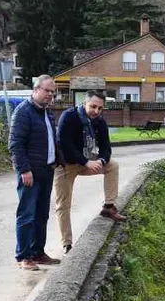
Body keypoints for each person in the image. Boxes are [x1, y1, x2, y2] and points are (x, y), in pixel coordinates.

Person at [54, 90, 126, 255]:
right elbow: (64, 145)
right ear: (84, 103)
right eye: (93, 106)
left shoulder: (99, 122)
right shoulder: (69, 117)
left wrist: (100, 161)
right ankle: (67, 244)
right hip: (66, 164)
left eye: (100, 108)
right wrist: (86, 162)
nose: (96, 111)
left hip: (88, 160)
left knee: (112, 166)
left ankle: (108, 207)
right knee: (63, 204)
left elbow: (106, 147)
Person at [8, 75, 63, 270]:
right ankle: (24, 256)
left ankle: (38, 252)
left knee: (41, 215)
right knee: (27, 215)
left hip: (46, 171)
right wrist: (24, 169)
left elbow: (51, 140)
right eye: (47, 91)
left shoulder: (47, 113)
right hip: (30, 173)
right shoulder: (23, 112)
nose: (50, 95)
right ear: (36, 89)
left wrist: (57, 159)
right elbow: (15, 144)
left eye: (52, 92)